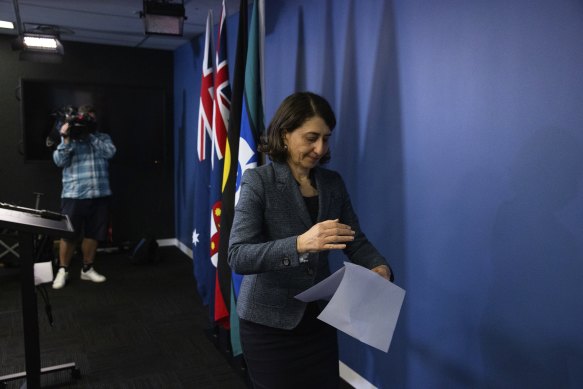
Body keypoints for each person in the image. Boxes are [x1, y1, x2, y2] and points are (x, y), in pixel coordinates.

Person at [228, 91, 393, 388]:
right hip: (268, 326)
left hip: (318, 321)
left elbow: (354, 240)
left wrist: (379, 268)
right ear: (285, 134)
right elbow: (238, 255)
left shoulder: (332, 183)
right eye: (311, 137)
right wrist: (300, 244)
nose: (320, 148)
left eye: (326, 139)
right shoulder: (259, 182)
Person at [52, 105, 116, 289]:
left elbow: (110, 152)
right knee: (69, 235)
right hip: (74, 195)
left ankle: (87, 269)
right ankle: (63, 270)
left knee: (93, 234)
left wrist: (89, 135)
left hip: (100, 195)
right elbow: (59, 161)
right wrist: (65, 138)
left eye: (90, 120)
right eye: (83, 120)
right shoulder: (69, 140)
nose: (86, 123)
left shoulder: (102, 138)